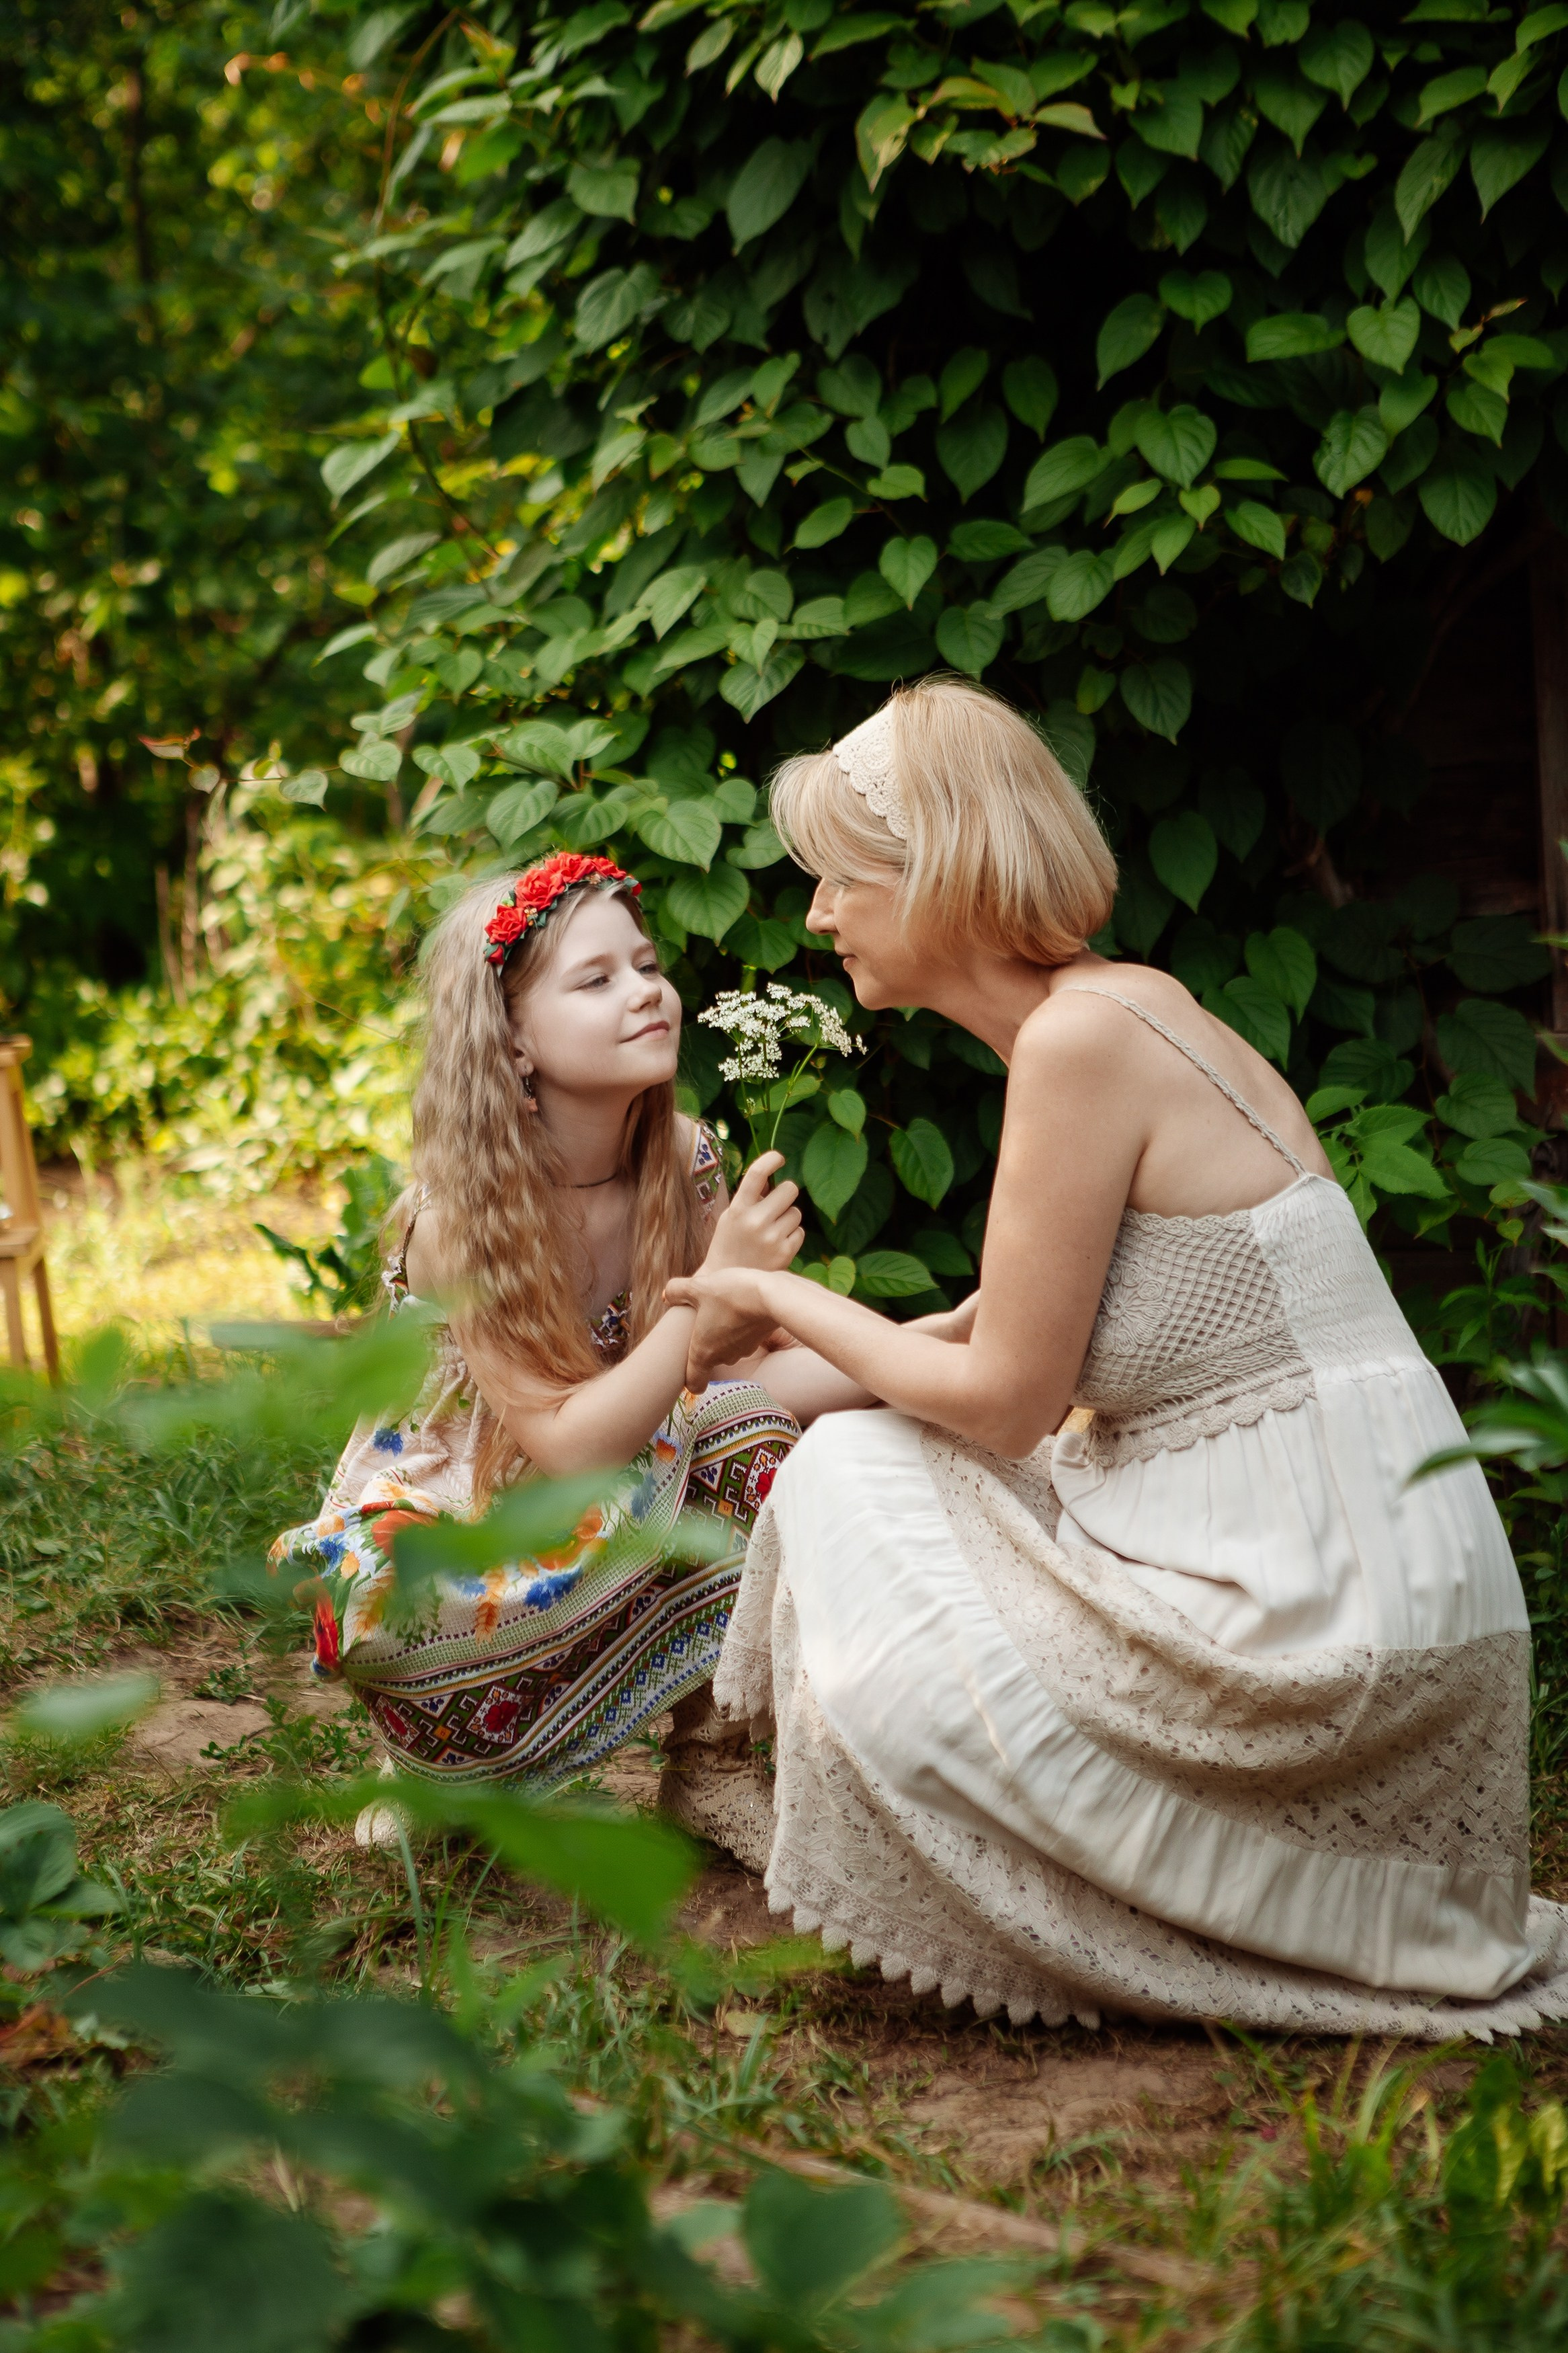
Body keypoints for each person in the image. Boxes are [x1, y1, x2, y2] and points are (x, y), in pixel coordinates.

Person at [665, 676, 1568, 2037]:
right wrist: (719, 1374)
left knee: (853, 1476)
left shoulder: (1085, 1041)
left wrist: (770, 1295)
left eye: (841, 880)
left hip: (1331, 1617)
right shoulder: (1119, 1009)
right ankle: (784, 1774)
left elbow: (1008, 1399)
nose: (815, 915)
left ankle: (889, 1820)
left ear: (939, 878)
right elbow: (977, 1330)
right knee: (861, 1451)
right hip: (1377, 1580)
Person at [270, 852, 804, 1861]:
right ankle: (437, 1770)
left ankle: (715, 1762)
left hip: (614, 1496)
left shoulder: (682, 1159)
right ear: (513, 1040)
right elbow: (568, 1449)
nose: (645, 990)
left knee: (752, 1430)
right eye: (596, 979)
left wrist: (942, 1351)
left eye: (647, 965)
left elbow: (749, 1377)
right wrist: (709, 1305)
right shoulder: (463, 1218)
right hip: (470, 1557)